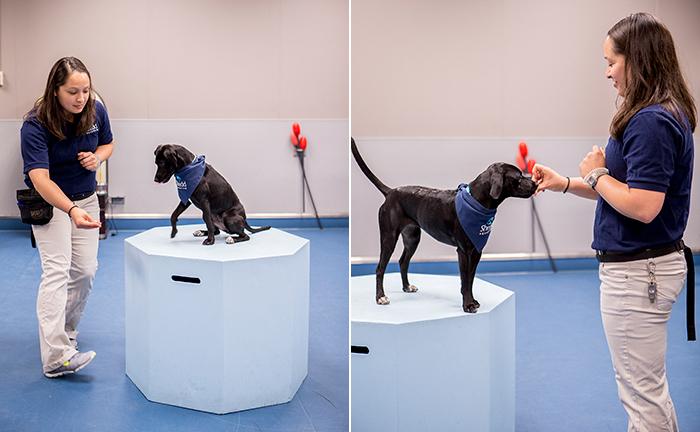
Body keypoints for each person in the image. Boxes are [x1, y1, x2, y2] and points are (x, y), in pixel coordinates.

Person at [533, 13, 695, 431]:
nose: (607, 73)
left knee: (642, 397)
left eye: (612, 62)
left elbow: (642, 205)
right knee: (647, 390)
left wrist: (597, 175)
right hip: (645, 268)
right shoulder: (655, 113)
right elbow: (625, 189)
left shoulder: (651, 122)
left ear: (637, 60)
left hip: (639, 274)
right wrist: (568, 182)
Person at [20, 57, 114, 378]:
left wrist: (97, 157)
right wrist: (70, 210)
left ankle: (66, 332)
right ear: (55, 90)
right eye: (73, 91)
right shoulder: (35, 123)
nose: (80, 98)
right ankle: (56, 357)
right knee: (57, 271)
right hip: (52, 203)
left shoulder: (95, 110)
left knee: (86, 271)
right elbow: (40, 178)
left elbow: (108, 144)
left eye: (86, 90)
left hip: (86, 199)